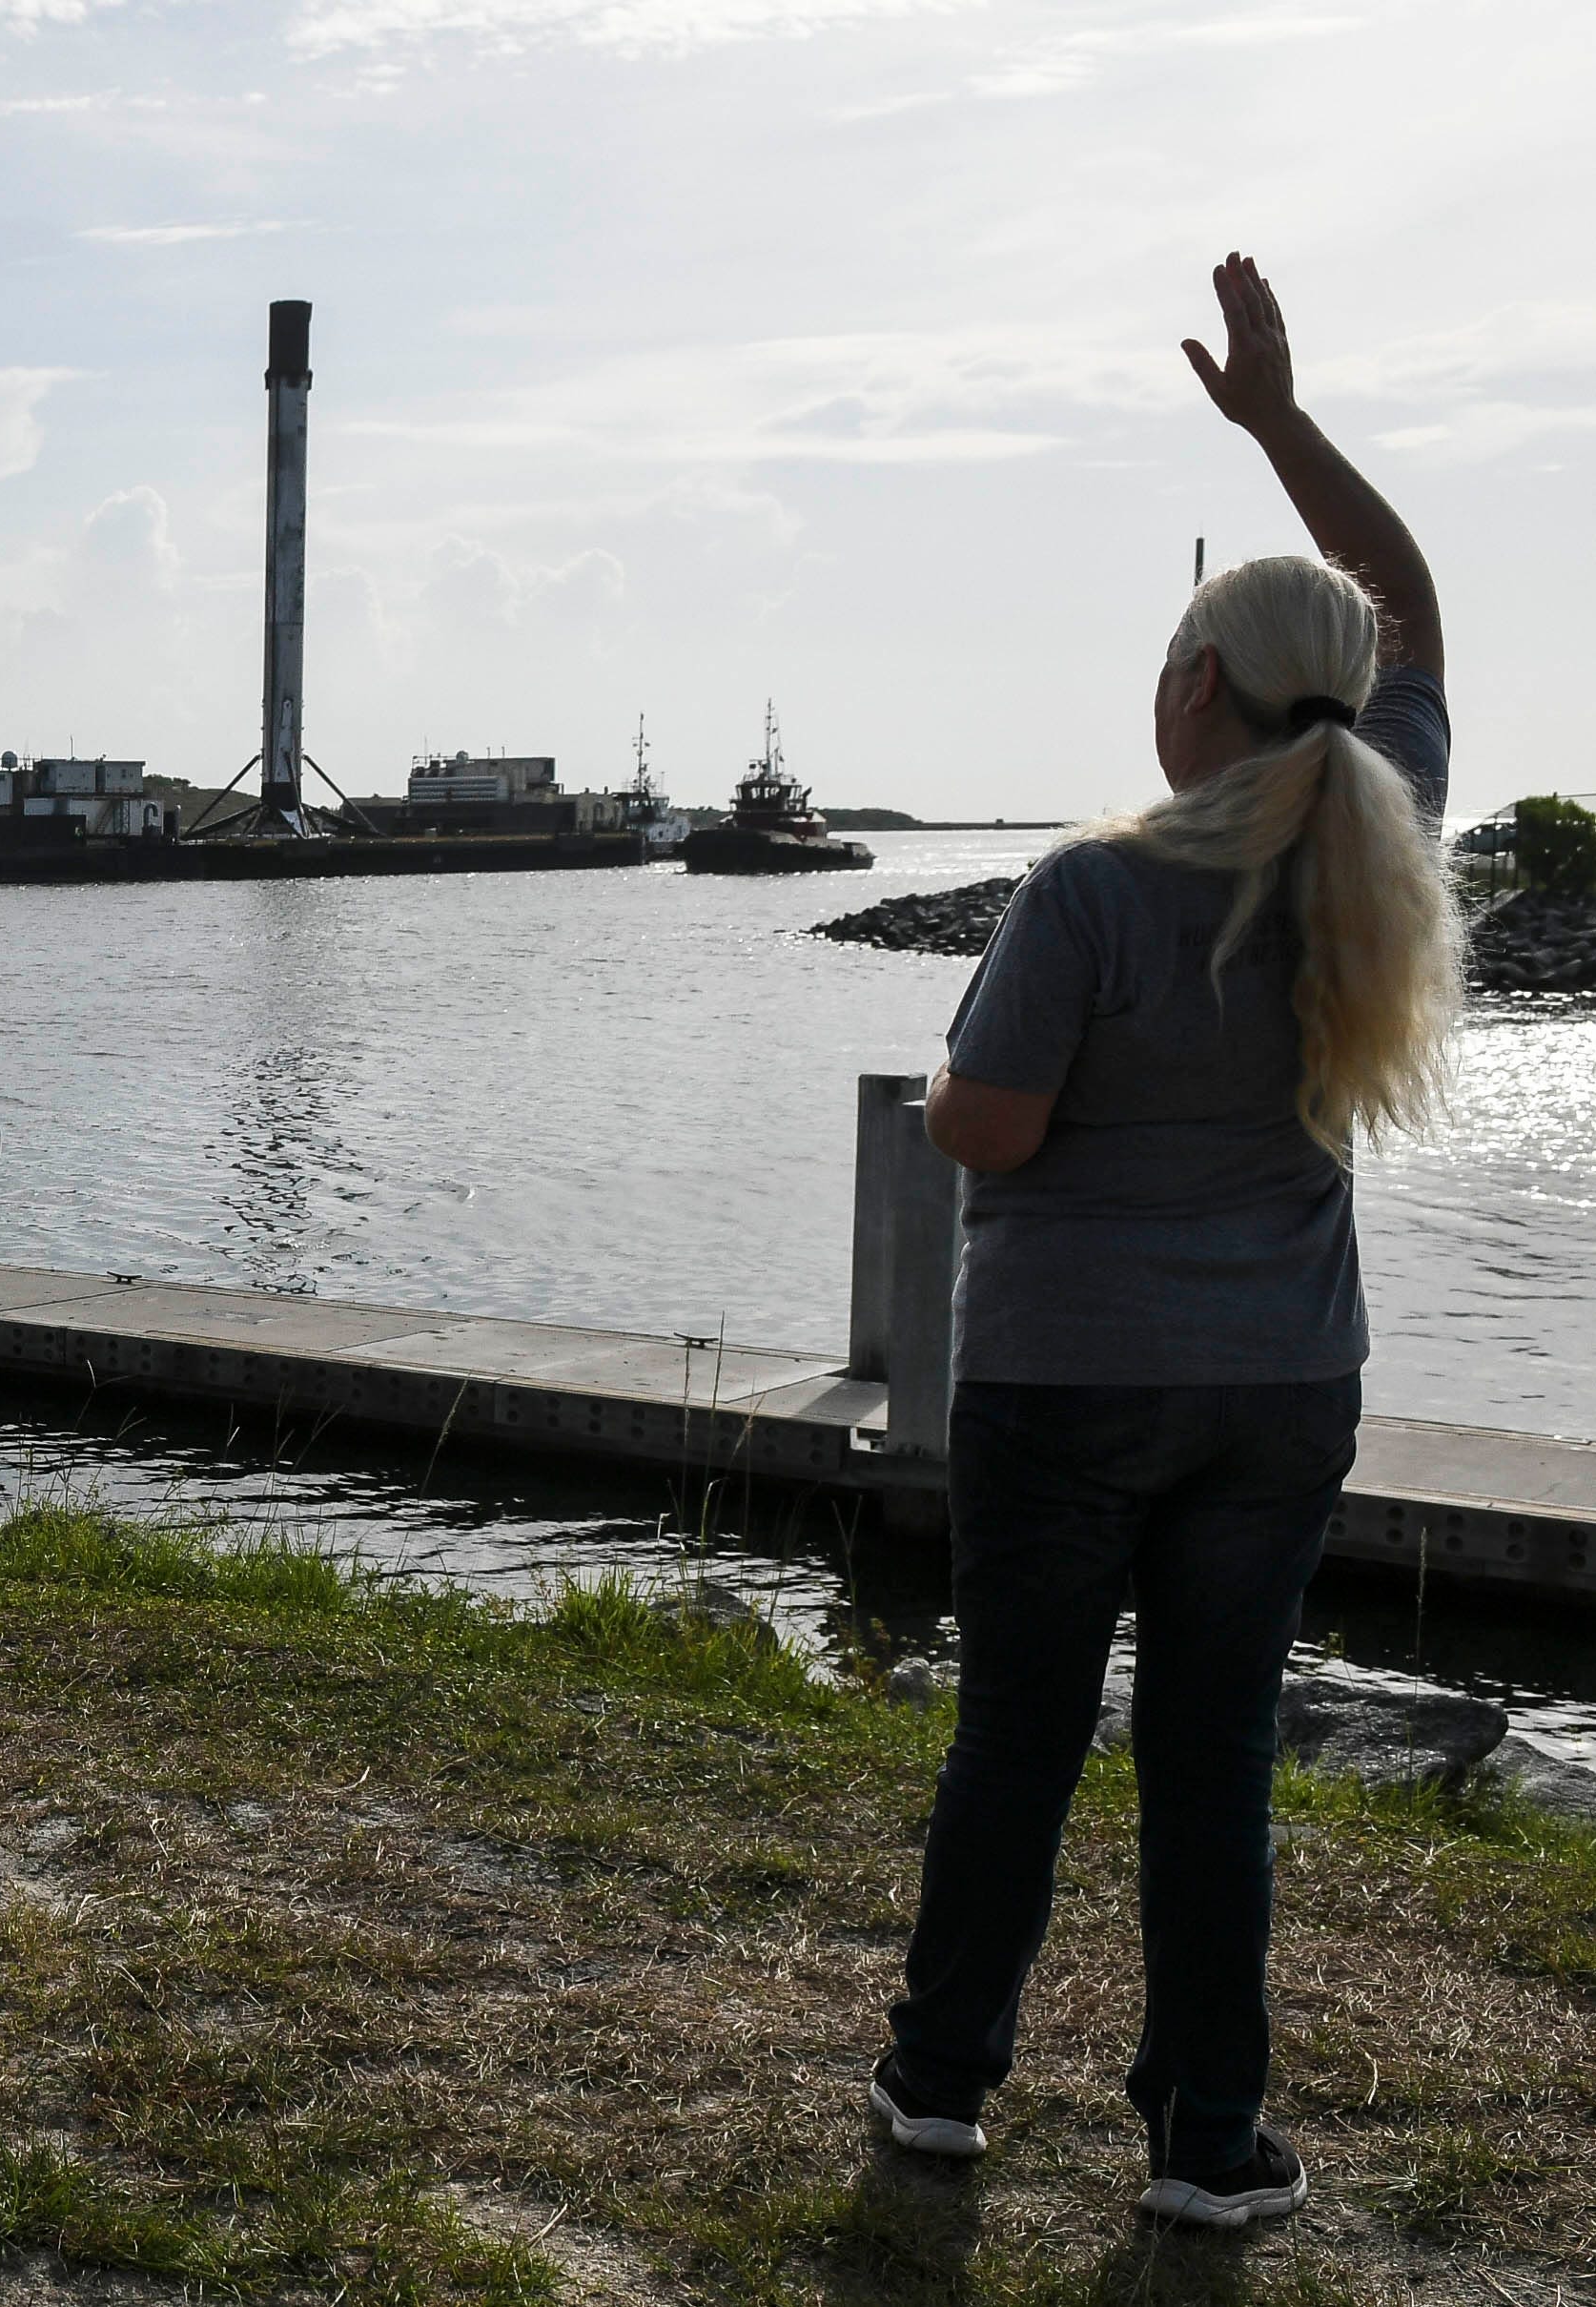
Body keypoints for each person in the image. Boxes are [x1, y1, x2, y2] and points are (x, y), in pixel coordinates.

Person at [872, 256, 1462, 2234]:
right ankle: (1209, 2137)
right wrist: (1283, 427)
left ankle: (942, 2088)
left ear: (1191, 691)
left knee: (1019, 1741)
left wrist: (955, 1103)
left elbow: (996, 1128)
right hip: (1281, 1387)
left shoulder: (1091, 894)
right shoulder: (1379, 850)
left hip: (1067, 1381)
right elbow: (1420, 613)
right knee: (1212, 1764)